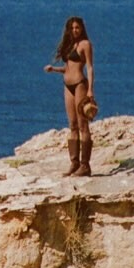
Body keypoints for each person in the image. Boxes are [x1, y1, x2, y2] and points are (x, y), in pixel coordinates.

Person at [44, 15, 95, 176]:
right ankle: (74, 163)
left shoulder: (85, 44)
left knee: (82, 125)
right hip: (68, 86)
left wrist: (90, 90)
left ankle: (85, 165)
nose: (75, 30)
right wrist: (54, 69)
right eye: (72, 28)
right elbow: (68, 68)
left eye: (77, 27)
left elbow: (90, 68)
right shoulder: (70, 45)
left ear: (82, 28)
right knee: (72, 124)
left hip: (80, 85)